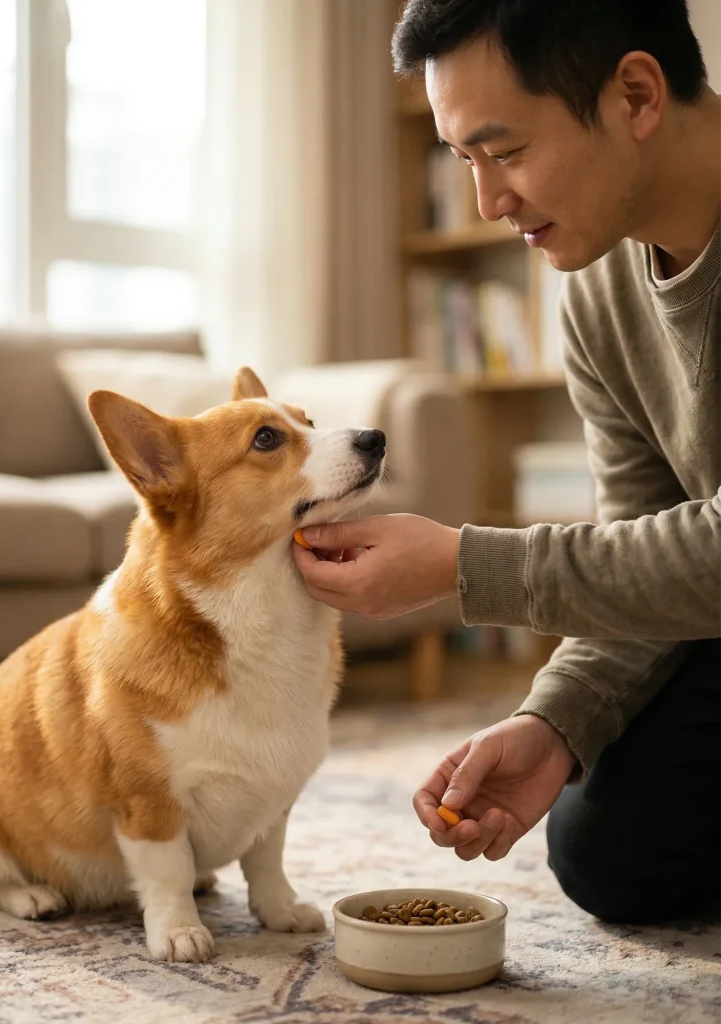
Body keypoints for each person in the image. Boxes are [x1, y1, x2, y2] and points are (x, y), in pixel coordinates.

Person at [292, 0, 721, 925]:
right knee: (607, 850)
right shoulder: (597, 289)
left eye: (508, 151)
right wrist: (556, 722)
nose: (488, 204)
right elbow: (642, 551)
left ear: (636, 94)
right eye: (465, 162)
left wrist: (459, 567)